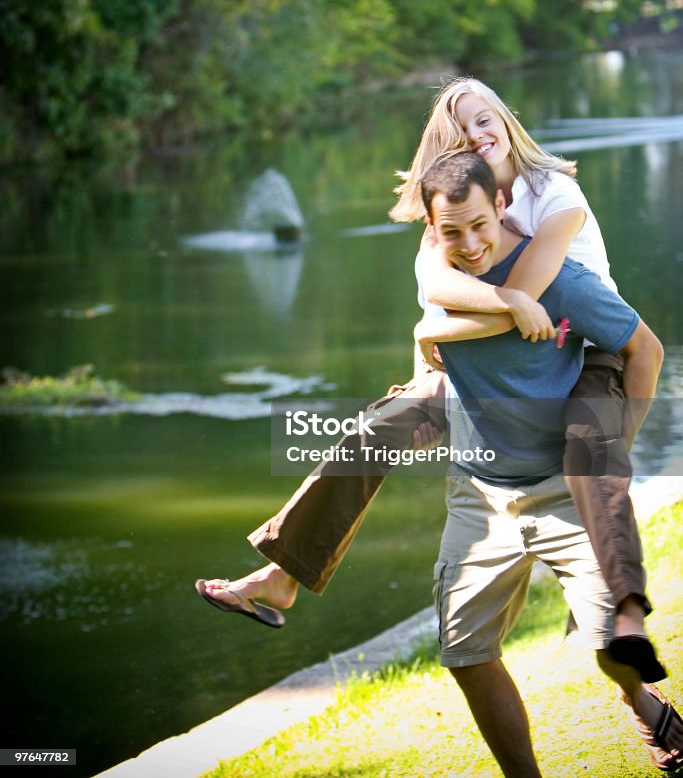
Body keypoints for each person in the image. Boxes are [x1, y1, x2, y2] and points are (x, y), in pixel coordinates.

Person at [196, 77, 660, 677]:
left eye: (486, 119)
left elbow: (529, 297)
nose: (479, 135)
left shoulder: (553, 192)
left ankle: (619, 613)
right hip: (502, 354)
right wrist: (440, 324)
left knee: (589, 446)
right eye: (462, 131)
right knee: (380, 426)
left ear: (506, 121)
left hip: (586, 350)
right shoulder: (457, 202)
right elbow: (436, 286)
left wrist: (432, 331)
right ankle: (284, 573)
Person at [413, 149, 681, 776]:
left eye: (480, 224)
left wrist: (620, 441)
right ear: (431, 230)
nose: (471, 243)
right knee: (466, 655)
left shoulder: (559, 280)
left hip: (565, 492)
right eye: (451, 232)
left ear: (501, 205)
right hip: (479, 498)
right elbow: (424, 339)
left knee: (613, 644)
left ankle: (643, 702)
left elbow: (645, 348)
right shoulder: (440, 288)